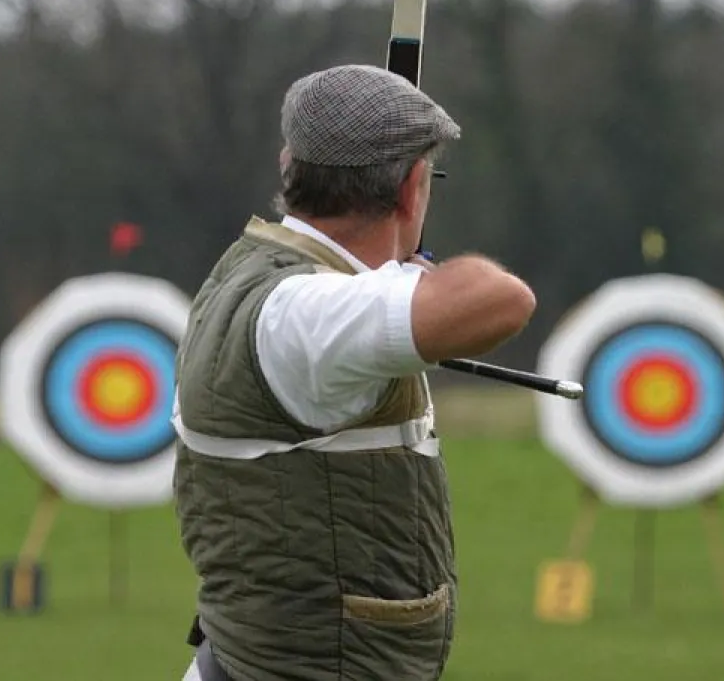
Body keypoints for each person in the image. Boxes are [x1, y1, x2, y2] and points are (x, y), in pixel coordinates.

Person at [171, 64, 537, 680]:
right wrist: (408, 277)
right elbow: (504, 298)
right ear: (412, 185)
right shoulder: (306, 313)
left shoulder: (253, 273)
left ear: (289, 165)